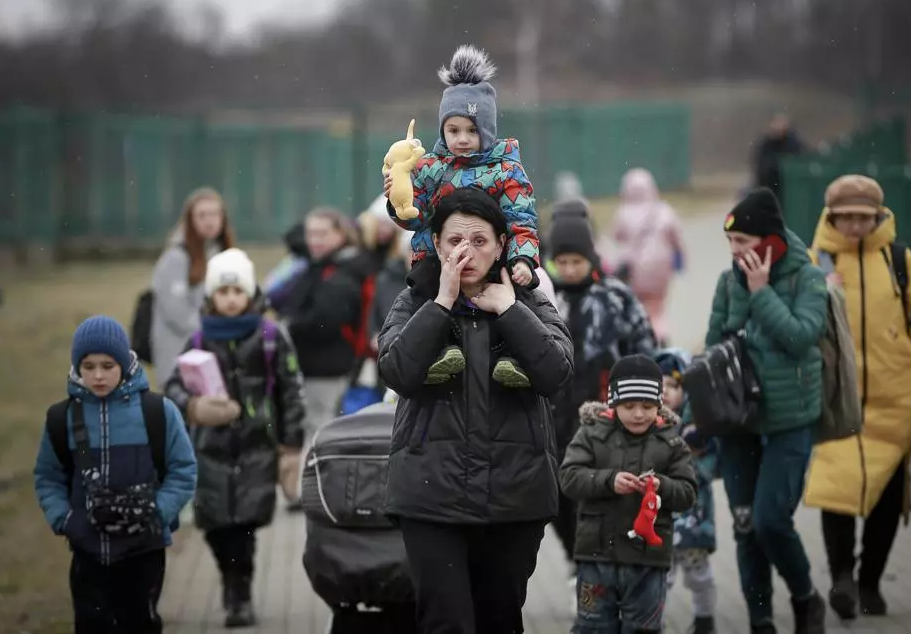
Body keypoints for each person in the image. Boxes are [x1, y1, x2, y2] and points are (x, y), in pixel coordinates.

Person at [377, 188, 572, 634]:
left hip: (515, 498)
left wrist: (509, 309)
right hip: (430, 497)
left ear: (502, 245)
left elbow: (556, 373)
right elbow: (396, 371)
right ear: (436, 244)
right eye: (454, 241)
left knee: (499, 620)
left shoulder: (530, 301)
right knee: (446, 622)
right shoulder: (414, 300)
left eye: (480, 241)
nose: (466, 251)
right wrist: (441, 303)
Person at [802, 175, 911, 620]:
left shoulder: (899, 259)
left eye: (863, 217)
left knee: (887, 497)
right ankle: (841, 578)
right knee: (836, 492)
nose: (854, 225)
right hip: (837, 400)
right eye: (845, 217)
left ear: (878, 217)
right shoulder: (815, 261)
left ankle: (870, 582)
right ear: (831, 217)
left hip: (895, 398)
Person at [705, 188, 828, 634]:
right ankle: (761, 621)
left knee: (770, 522)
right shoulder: (727, 282)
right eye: (730, 243)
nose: (735, 252)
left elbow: (801, 337)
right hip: (738, 422)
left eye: (743, 242)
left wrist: (760, 294)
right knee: (745, 526)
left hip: (789, 422)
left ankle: (805, 597)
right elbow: (714, 350)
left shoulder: (806, 278)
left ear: (770, 241)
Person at [164, 248, 306, 627]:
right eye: (223, 292)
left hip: (256, 449)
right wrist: (194, 406)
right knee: (214, 525)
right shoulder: (198, 340)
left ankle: (239, 593)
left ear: (250, 293)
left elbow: (291, 392)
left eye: (237, 291)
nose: (230, 299)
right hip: (209, 450)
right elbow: (173, 386)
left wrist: (291, 445)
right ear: (212, 296)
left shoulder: (270, 337)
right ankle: (228, 578)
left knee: (244, 527)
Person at [385, 44, 540, 388]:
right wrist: (399, 201)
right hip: (437, 257)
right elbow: (417, 217)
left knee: (512, 293)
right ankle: (437, 352)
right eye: (453, 131)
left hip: (490, 258)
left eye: (472, 130)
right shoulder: (429, 167)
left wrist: (523, 260)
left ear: (488, 130)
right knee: (425, 288)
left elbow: (521, 219)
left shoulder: (506, 169)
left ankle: (513, 357)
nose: (463, 140)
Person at [34, 316, 197, 634]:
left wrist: (158, 513)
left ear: (124, 362)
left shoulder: (157, 412)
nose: (98, 375)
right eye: (88, 366)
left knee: (140, 624)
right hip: (87, 550)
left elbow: (184, 469)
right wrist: (66, 520)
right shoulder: (62, 418)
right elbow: (47, 476)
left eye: (108, 366)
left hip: (144, 550)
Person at [545, 212, 657, 590]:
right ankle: (577, 559)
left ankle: (598, 573)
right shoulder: (545, 298)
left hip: (603, 419)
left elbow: (644, 348)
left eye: (576, 261)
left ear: (591, 257)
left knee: (597, 498)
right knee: (557, 499)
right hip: (554, 418)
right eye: (561, 262)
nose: (569, 269)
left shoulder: (614, 297)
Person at [559, 354, 697, 634]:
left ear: (659, 404)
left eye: (647, 406)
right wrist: (608, 481)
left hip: (648, 562)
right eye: (629, 406)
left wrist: (661, 485)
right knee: (593, 627)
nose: (638, 414)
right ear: (613, 402)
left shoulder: (671, 442)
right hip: (596, 557)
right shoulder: (591, 434)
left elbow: (687, 492)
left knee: (643, 629)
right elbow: (569, 478)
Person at [279, 207, 372, 441]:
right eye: (310, 234)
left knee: (320, 431)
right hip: (319, 365)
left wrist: (290, 327)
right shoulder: (320, 266)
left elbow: (324, 321)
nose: (314, 241)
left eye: (322, 234)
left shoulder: (341, 273)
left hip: (327, 367)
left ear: (340, 235)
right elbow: (292, 239)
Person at [656, 349, 718, 634]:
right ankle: (652, 622)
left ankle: (704, 619)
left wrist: (691, 457)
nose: (665, 392)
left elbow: (710, 467)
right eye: (659, 385)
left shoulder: (697, 429)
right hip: (659, 521)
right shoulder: (646, 424)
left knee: (698, 575)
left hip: (694, 517)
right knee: (660, 577)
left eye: (673, 385)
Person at [151, 187, 235, 381]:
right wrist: (214, 331)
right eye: (202, 215)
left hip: (214, 353)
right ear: (190, 220)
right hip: (179, 355)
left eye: (215, 214)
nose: (209, 221)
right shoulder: (176, 258)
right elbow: (176, 312)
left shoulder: (223, 255)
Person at [606, 168, 685, 344]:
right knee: (657, 306)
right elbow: (676, 239)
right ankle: (660, 334)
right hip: (661, 267)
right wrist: (680, 261)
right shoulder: (664, 210)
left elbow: (616, 236)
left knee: (637, 304)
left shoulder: (623, 212)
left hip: (633, 269)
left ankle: (642, 336)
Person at [752, 114, 805, 206]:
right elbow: (761, 167)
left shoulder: (792, 142)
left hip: (787, 189)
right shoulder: (766, 144)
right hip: (770, 186)